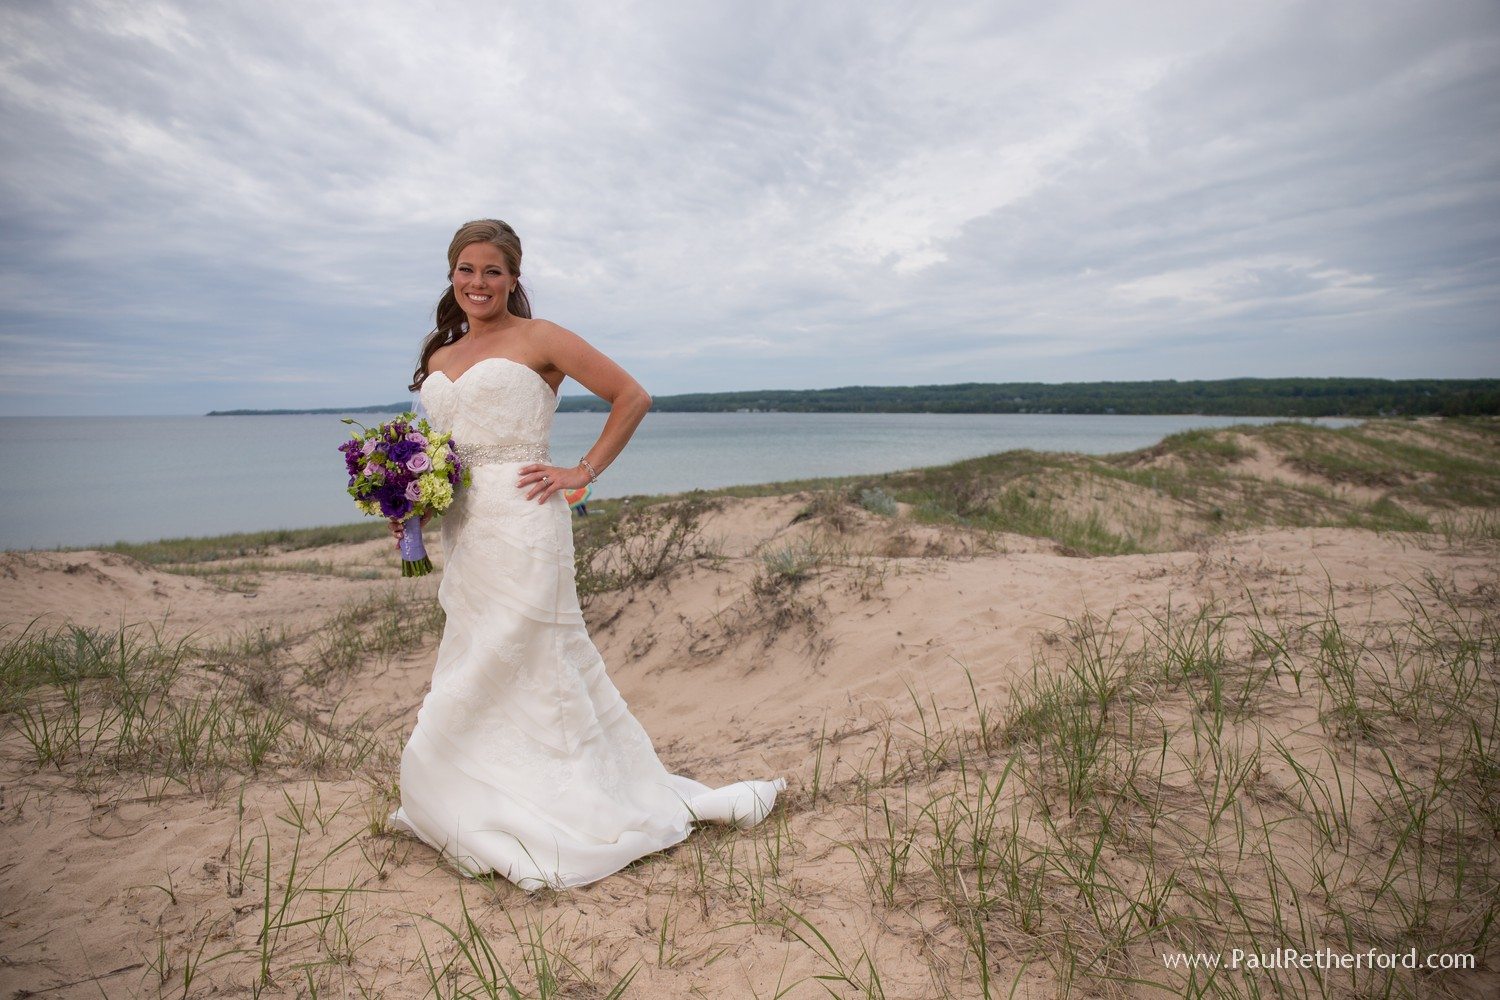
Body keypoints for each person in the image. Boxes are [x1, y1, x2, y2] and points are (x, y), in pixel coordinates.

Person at [386, 219, 785, 890]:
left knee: (526, 654)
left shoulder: (540, 338)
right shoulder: (441, 355)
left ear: (513, 278)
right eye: (466, 270)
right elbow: (445, 455)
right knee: (475, 651)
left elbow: (632, 396)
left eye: (492, 271)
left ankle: (567, 806)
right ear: (451, 276)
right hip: (465, 531)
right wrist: (413, 505)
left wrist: (582, 471)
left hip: (525, 519)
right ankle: (480, 794)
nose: (479, 283)